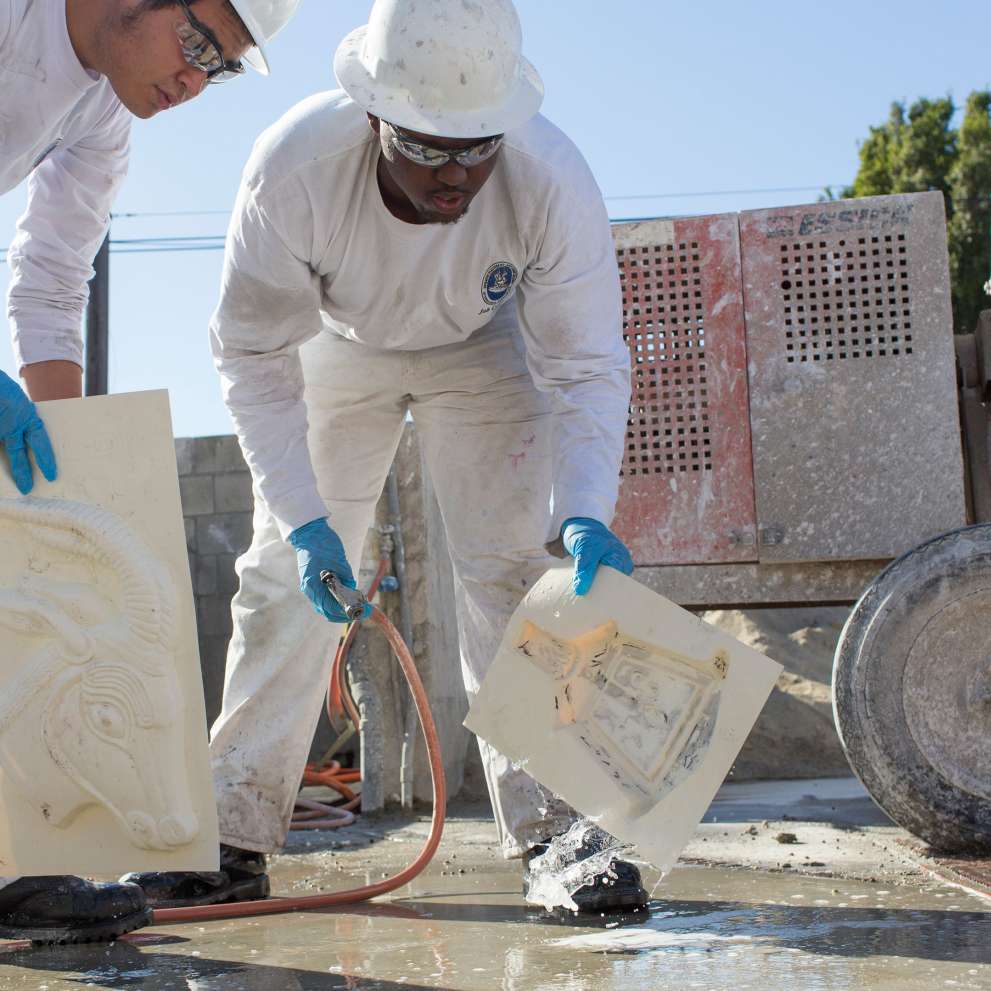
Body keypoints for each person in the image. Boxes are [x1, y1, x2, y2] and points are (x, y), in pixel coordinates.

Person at [124, 0, 648, 917]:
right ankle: (231, 834)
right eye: (426, 148)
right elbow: (250, 354)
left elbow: (584, 362)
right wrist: (306, 519)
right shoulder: (294, 171)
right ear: (374, 118)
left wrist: (588, 504)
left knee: (515, 572)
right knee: (285, 578)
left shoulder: (549, 176)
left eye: (473, 148)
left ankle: (560, 832)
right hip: (337, 344)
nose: (454, 175)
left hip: (488, 347)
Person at [0, 0, 301, 945]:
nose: (193, 81)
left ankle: (15, 856)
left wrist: (66, 478)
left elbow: (52, 280)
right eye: (201, 41)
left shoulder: (98, 112)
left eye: (221, 67)